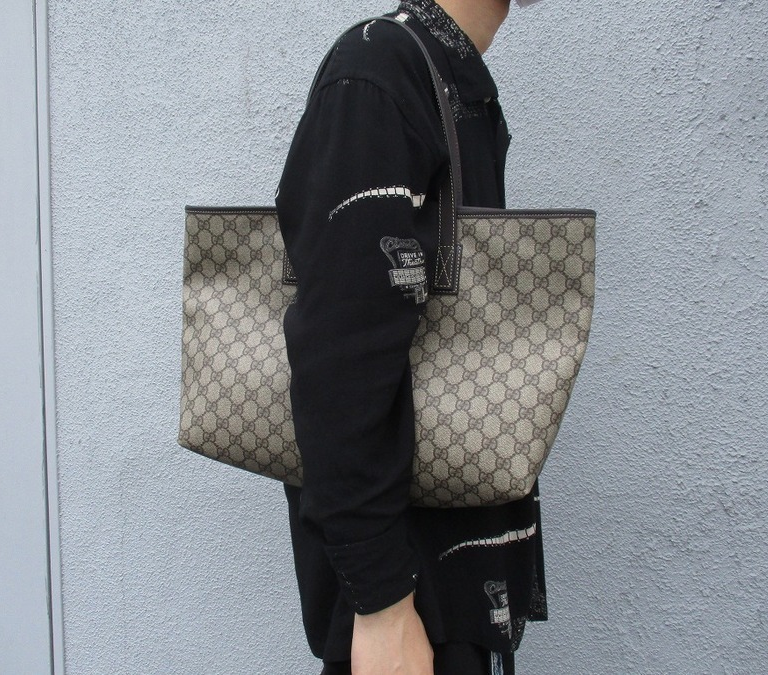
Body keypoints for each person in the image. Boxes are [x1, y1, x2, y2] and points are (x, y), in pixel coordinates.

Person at [275, 1, 547, 673]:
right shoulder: (380, 72)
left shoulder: (452, 81)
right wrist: (383, 607)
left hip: (449, 601)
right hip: (409, 612)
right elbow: (338, 361)